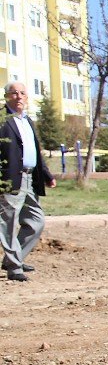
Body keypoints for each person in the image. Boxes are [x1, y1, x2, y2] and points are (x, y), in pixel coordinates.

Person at [1, 81, 56, 282]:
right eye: (14, 93)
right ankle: (14, 267)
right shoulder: (2, 119)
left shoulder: (27, 121)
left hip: (30, 178)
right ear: (7, 96)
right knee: (8, 222)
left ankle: (13, 258)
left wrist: (47, 174)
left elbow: (34, 151)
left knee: (36, 221)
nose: (19, 96)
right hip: (8, 178)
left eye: (22, 93)